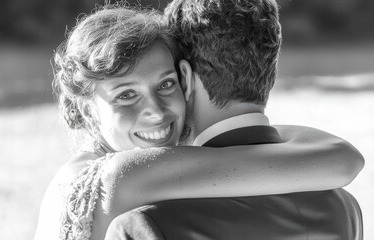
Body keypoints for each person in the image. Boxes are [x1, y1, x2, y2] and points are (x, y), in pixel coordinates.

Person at [34, 4, 364, 240]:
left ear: (185, 81)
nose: (155, 111)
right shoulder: (119, 176)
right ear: (86, 108)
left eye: (165, 84)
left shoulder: (133, 173)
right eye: (125, 95)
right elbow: (342, 161)